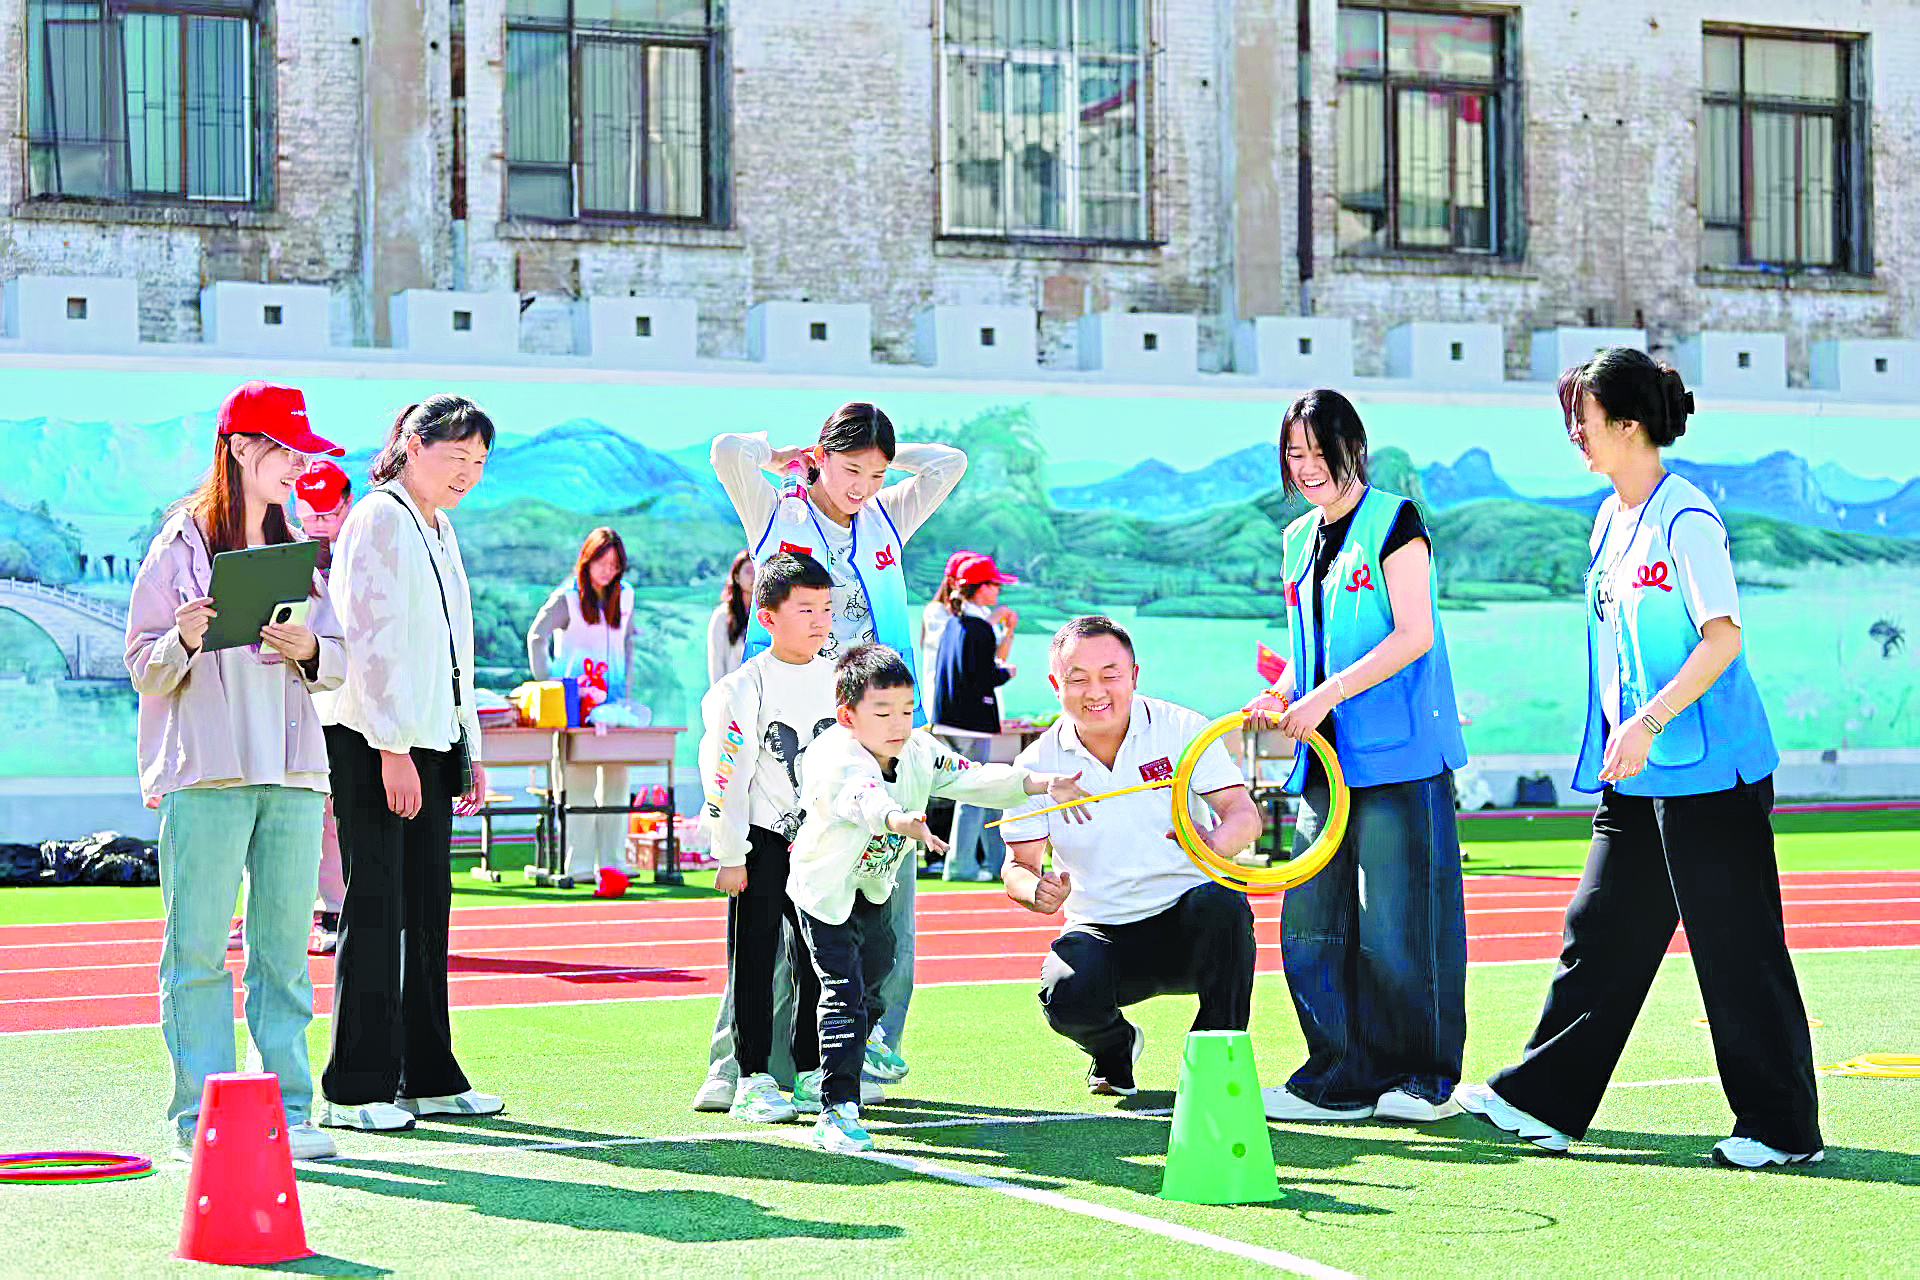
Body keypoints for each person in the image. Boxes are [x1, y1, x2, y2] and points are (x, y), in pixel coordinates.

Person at [1457, 349, 1824, 1170]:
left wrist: (1649, 721)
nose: (1574, 433)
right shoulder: (1609, 519)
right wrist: (1623, 735)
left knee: (1737, 950)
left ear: (1628, 425)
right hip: (1637, 771)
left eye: (1583, 418)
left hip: (1711, 772)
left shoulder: (1686, 518)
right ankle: (1542, 1100)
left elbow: (1721, 640)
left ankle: (1782, 1130)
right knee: (1599, 930)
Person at [125, 380, 348, 1162]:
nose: (298, 467)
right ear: (241, 449)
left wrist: (311, 650)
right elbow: (143, 668)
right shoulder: (179, 544)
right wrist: (183, 639)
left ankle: (291, 1111)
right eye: (285, 451)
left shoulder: (299, 552)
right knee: (196, 952)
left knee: (283, 957)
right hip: (205, 774)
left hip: (293, 776)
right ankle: (201, 1118)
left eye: (302, 454)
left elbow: (339, 662)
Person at [711, 403, 967, 1073]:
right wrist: (783, 454)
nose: (863, 488)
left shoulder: (887, 516)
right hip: (791, 740)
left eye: (876, 475)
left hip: (881, 736)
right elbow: (727, 449)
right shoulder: (777, 514)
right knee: (779, 907)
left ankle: (870, 1049)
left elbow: (949, 464)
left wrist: (884, 457)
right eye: (851, 469)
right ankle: (742, 1066)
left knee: (885, 904)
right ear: (822, 458)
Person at [1250, 390, 1470, 1126]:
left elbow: (1414, 634)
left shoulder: (1396, 521)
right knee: (1310, 919)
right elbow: (1309, 651)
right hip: (1325, 763)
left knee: (1398, 927)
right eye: (1295, 454)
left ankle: (1423, 1079)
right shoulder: (1296, 539)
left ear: (1354, 449)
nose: (1306, 466)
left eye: (1320, 451)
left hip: (1400, 757)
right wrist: (1281, 693)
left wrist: (1326, 695)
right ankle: (1336, 1077)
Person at [789, 643, 1090, 1151]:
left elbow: (971, 777)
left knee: (880, 968)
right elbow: (862, 797)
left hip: (872, 885)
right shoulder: (834, 756)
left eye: (907, 710)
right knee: (842, 991)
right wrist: (899, 820)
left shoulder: (918, 749)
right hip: (824, 890)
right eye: (883, 712)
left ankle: (860, 1044)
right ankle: (837, 1110)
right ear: (847, 717)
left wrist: (1041, 783)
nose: (898, 724)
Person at [319, 395, 502, 1132]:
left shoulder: (438, 526)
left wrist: (468, 748)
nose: (467, 474)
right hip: (374, 740)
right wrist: (392, 749)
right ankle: (354, 1088)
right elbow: (368, 642)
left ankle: (425, 1076)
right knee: (376, 907)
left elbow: (454, 650)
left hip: (429, 738)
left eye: (479, 463)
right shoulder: (379, 518)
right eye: (456, 458)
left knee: (427, 908)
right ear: (412, 446)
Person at [1001, 617, 1263, 1096]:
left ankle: (1214, 1063)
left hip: (1189, 919)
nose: (1095, 691)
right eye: (1078, 678)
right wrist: (1035, 891)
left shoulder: (1182, 728)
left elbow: (1243, 815)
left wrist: (1213, 845)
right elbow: (1019, 865)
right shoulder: (1035, 766)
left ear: (1134, 675)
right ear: (1056, 685)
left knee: (1224, 904)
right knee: (1063, 993)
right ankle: (1115, 1047)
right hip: (1102, 929)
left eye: (1110, 675)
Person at [695, 552, 838, 1123]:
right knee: (753, 958)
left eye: (826, 609)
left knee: (817, 959)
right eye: (805, 609)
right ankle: (752, 1077)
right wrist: (729, 853)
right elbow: (725, 774)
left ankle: (810, 1071)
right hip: (760, 842)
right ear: (768, 617)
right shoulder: (742, 686)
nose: (819, 621)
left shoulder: (840, 680)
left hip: (821, 844)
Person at [528, 527, 638, 883]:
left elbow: (628, 643)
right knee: (579, 785)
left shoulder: (626, 596)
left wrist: (626, 693)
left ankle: (614, 862)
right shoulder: (568, 598)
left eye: (615, 565)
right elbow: (537, 635)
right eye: (601, 562)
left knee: (617, 783)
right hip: (575, 709)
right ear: (586, 561)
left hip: (614, 707)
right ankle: (579, 865)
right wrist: (549, 686)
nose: (608, 571)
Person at [930, 553, 1020, 882]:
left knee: (983, 791)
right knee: (974, 794)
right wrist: (1006, 673)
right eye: (994, 585)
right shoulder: (977, 626)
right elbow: (984, 676)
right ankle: (961, 866)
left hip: (949, 720)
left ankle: (995, 863)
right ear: (980, 589)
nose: (998, 591)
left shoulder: (956, 622)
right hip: (971, 723)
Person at [295, 460, 354, 954]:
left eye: (328, 514)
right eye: (310, 513)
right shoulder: (284, 550)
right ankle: (261, 911)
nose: (319, 525)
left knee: (332, 815)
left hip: (342, 704)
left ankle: (333, 911)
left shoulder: (360, 555)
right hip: (290, 700)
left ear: (347, 506)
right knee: (268, 809)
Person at [708, 550, 755, 686]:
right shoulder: (722, 615)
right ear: (736, 577)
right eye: (748, 572)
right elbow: (716, 664)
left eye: (757, 571)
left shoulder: (764, 615)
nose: (754, 577)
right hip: (731, 691)